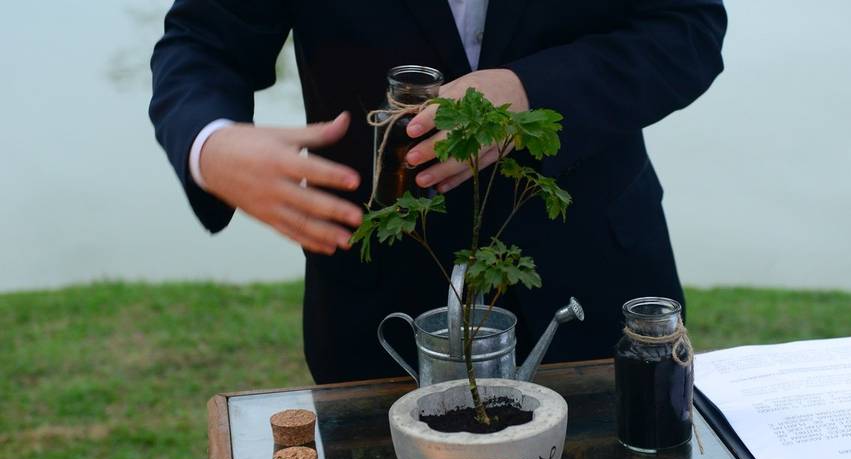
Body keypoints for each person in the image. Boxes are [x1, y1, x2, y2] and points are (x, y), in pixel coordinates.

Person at [150, 0, 727, 384]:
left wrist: (528, 91)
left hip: (597, 289)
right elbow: (202, 42)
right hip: (381, 312)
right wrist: (213, 145)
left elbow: (686, 29)